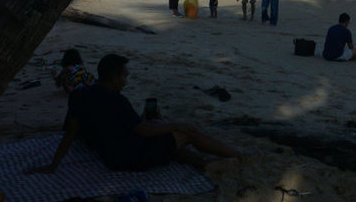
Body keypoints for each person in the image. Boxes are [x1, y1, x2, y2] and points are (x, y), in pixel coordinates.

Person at [29, 54, 240, 174]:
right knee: (188, 132)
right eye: (124, 76)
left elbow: (70, 134)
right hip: (129, 157)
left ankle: (203, 164)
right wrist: (176, 125)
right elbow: (144, 131)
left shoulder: (80, 96)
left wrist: (53, 165)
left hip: (111, 153)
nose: (126, 81)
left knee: (163, 129)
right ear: (114, 77)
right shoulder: (117, 100)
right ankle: (238, 156)